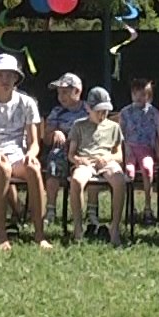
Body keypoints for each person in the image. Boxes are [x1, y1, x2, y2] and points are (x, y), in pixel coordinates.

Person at [0, 53, 51, 251]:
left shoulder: (27, 103)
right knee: (3, 169)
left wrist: (31, 153)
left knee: (33, 168)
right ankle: (1, 234)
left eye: (9, 75)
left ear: (16, 78)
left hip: (17, 154)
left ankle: (40, 234)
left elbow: (34, 142)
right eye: (0, 75)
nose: (5, 79)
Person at [67, 86, 127, 245]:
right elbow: (71, 154)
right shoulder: (78, 126)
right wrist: (80, 160)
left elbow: (119, 155)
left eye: (105, 111)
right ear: (88, 108)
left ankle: (114, 227)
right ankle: (78, 228)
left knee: (119, 180)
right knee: (77, 180)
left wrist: (109, 158)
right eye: (98, 111)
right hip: (86, 161)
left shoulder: (114, 127)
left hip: (107, 161)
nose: (102, 115)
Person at [41, 73, 88, 223]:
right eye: (59, 92)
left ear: (77, 91)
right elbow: (46, 139)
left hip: (84, 150)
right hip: (61, 150)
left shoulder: (88, 110)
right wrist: (54, 132)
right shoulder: (56, 112)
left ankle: (84, 214)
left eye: (65, 92)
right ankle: (50, 210)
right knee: (53, 163)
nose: (61, 96)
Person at [118, 77, 159, 224]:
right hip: (129, 148)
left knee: (148, 169)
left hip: (146, 149)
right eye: (136, 94)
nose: (139, 97)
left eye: (143, 94)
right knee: (129, 171)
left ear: (149, 96)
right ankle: (131, 208)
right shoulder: (125, 113)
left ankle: (148, 207)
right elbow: (120, 134)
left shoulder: (154, 113)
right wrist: (122, 151)